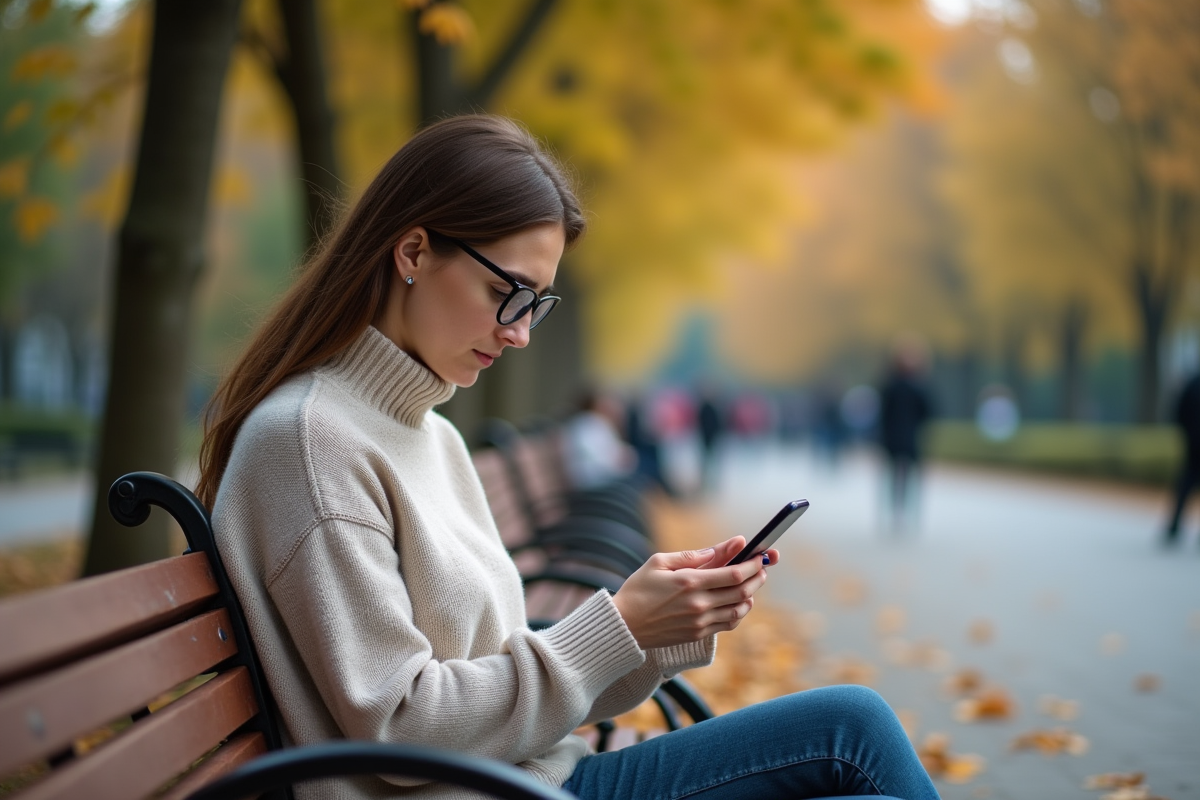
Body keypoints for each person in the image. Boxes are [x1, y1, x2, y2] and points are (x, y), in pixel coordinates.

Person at [198, 115, 938, 800]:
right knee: (854, 731)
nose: (519, 333)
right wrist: (617, 628)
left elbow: (496, 680)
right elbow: (400, 725)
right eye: (506, 292)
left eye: (536, 304)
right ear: (414, 251)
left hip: (533, 778)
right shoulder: (308, 441)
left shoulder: (431, 436)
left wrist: (654, 632)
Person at [878, 340, 933, 531]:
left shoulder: (916, 387)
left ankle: (907, 513)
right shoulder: (892, 386)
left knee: (909, 478)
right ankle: (897, 512)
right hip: (896, 439)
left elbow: (927, 413)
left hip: (909, 438)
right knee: (895, 477)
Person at [560, 387, 636, 490]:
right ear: (594, 405)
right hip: (594, 486)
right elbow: (607, 461)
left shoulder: (592, 423)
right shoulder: (589, 424)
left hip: (600, 483)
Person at [1165, 371, 1200, 546]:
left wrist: (1186, 433)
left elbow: (1179, 411)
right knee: (1186, 483)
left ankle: (1174, 526)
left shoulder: (1193, 383)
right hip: (1194, 441)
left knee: (1186, 483)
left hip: (1193, 442)